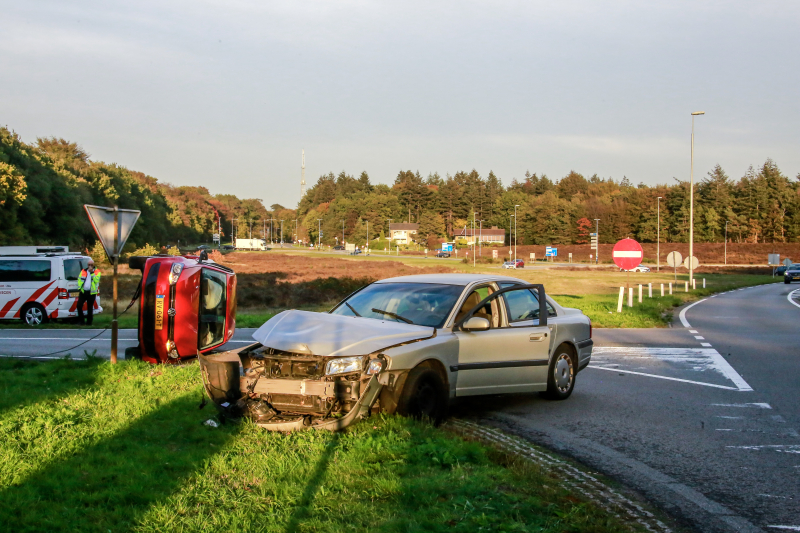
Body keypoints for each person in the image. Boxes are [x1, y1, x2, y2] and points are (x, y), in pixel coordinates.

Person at [77, 260, 101, 326]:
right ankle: (81, 321)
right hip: (83, 291)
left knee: (89, 308)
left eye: (91, 265)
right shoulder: (83, 271)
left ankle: (89, 323)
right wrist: (80, 288)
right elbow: (79, 279)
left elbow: (96, 281)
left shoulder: (97, 272)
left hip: (92, 293)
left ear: (94, 265)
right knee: (79, 306)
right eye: (89, 265)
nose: (90, 266)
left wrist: (92, 273)